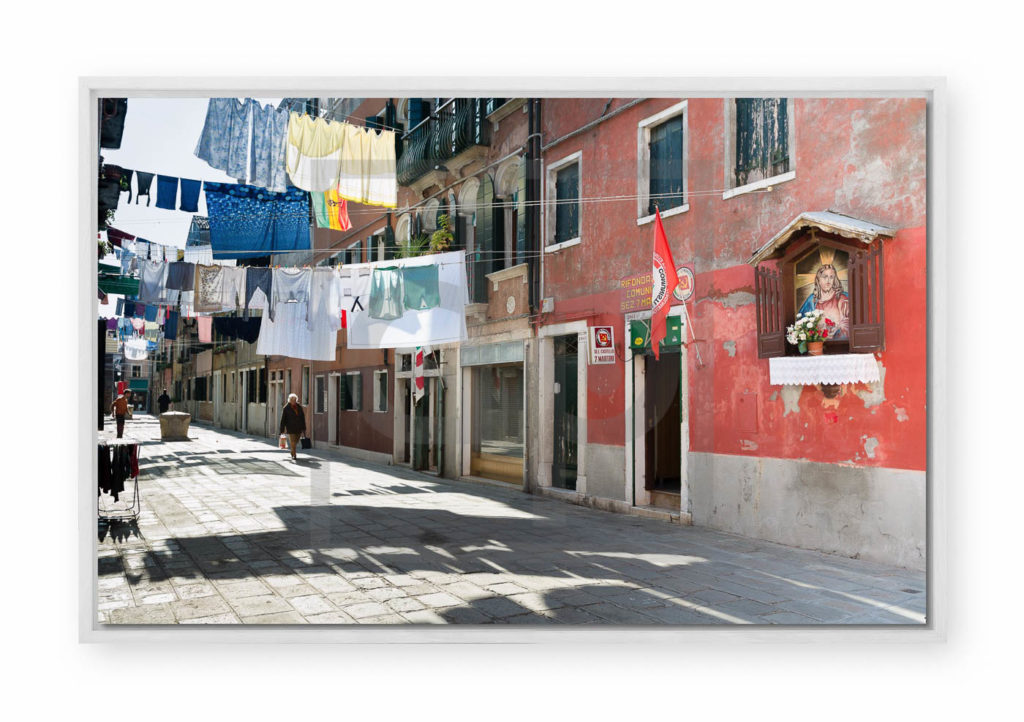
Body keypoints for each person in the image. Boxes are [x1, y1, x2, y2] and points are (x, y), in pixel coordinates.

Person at [798, 263, 850, 339]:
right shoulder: (812, 301)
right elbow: (801, 324)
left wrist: (836, 331)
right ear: (818, 280)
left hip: (838, 343)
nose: (828, 280)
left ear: (834, 280)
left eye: (831, 277)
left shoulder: (841, 298)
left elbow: (848, 325)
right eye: (825, 277)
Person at [279, 392, 306, 461]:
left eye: (294, 400)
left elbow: (302, 417)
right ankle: (294, 454)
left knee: (296, 441)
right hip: (290, 428)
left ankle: (292, 450)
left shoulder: (299, 407)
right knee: (293, 441)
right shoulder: (286, 408)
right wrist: (282, 430)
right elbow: (283, 420)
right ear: (289, 400)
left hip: (299, 427)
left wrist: (303, 428)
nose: (293, 401)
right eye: (292, 400)